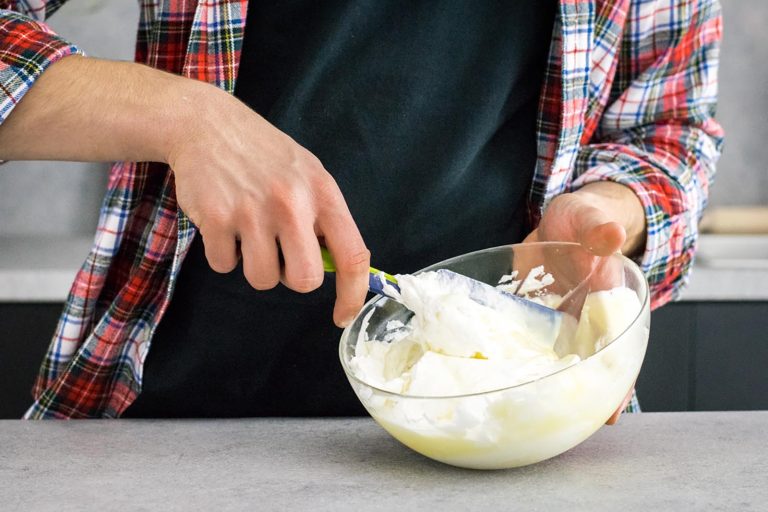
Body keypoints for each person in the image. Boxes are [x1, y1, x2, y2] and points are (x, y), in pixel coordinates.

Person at [0, 0, 723, 420]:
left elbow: (670, 128)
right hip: (181, 420)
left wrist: (610, 208)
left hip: (516, 429)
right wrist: (184, 117)